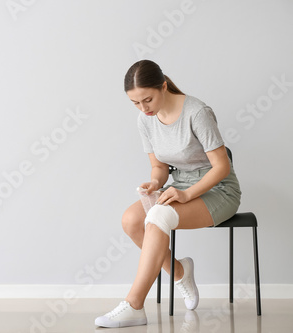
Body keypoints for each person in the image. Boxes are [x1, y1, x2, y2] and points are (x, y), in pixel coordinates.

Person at [95, 60, 242, 328]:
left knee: (158, 216)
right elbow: (160, 166)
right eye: (136, 103)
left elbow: (222, 167)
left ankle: (134, 305)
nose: (143, 108)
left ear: (163, 86)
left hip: (218, 190)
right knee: (130, 220)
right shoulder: (145, 120)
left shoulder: (197, 112)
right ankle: (179, 272)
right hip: (179, 185)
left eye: (148, 99)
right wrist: (154, 182)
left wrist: (186, 196)